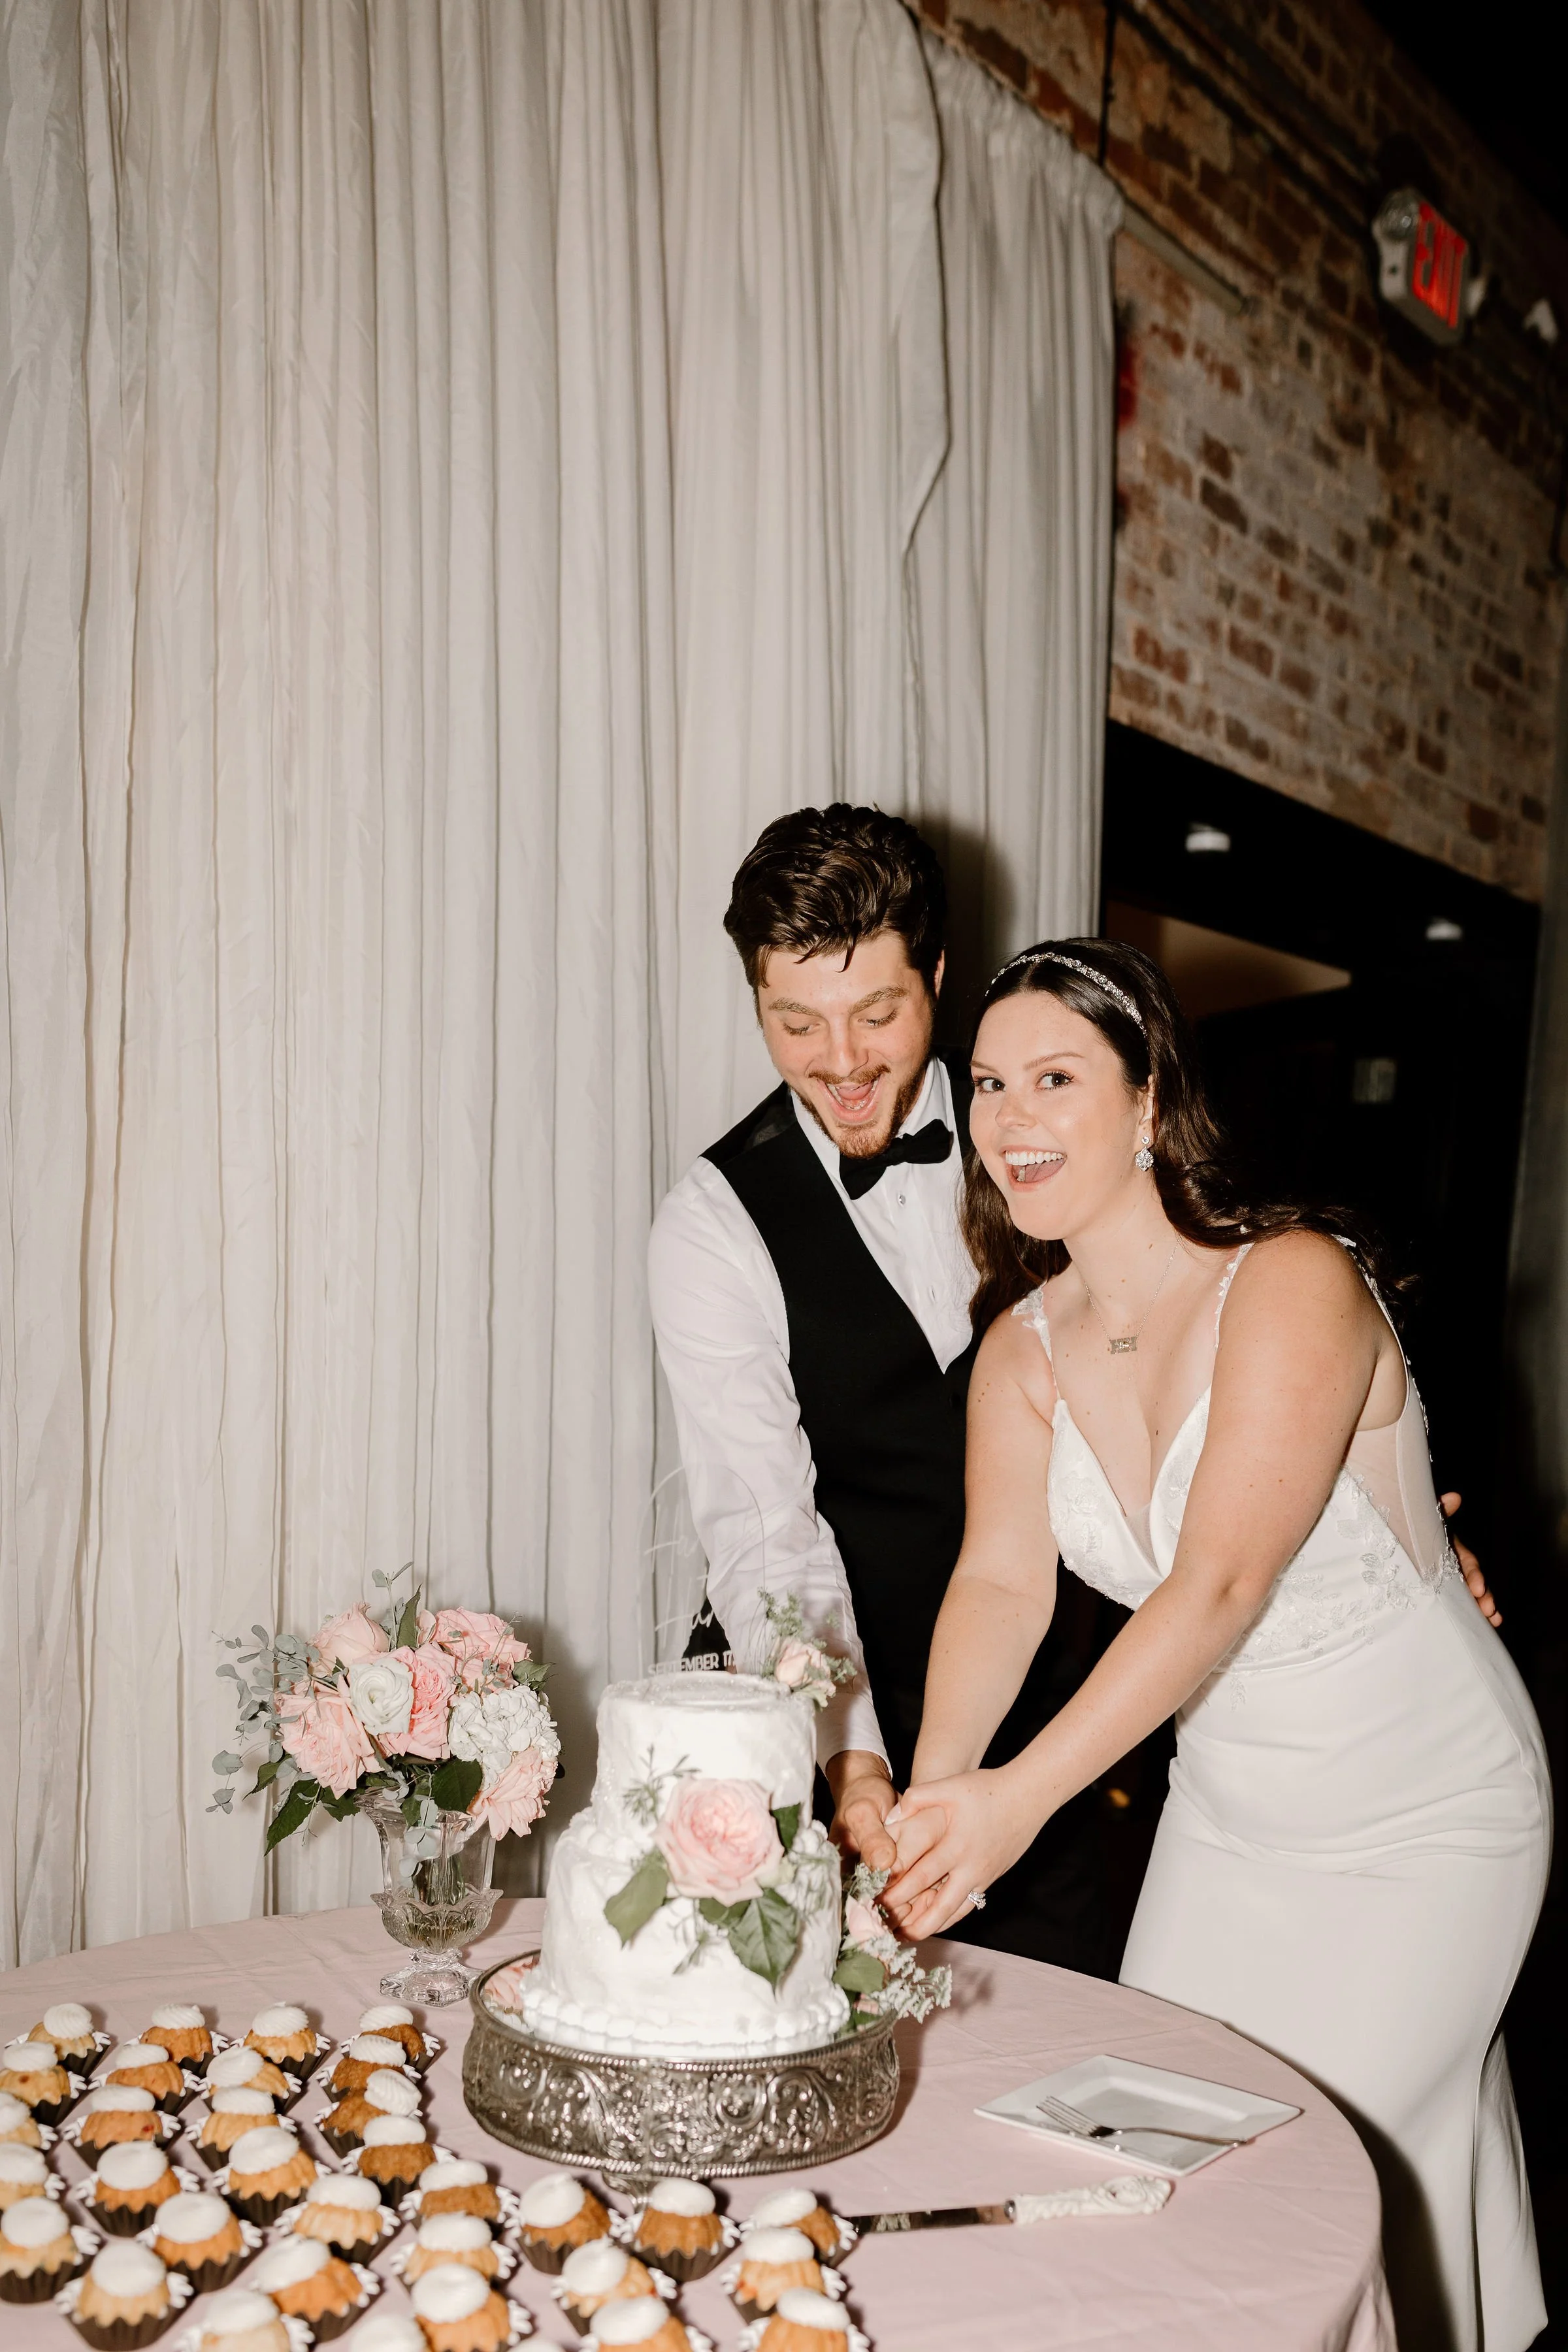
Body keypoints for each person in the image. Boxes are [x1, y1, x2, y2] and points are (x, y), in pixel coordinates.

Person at [883, 938, 1550, 2352]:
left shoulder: (1292, 1279)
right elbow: (999, 1586)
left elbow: (1222, 1583)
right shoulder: (1020, 1349)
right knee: (1145, 2166)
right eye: (988, 1082)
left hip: (1428, 1818)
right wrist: (939, 1803)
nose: (1009, 1117)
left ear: (1147, 1099)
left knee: (1323, 2191)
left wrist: (1019, 1801)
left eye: (1055, 1078)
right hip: (1233, 1822)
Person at [647, 805, 1111, 1965]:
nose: (843, 1064)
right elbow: (766, 1529)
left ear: (938, 978)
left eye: (877, 1013)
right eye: (796, 1022)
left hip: (1067, 1704)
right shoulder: (714, 1225)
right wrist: (851, 1759)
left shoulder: (1050, 1130)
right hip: (842, 1701)